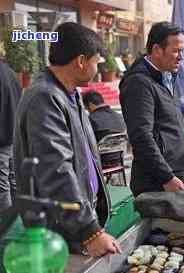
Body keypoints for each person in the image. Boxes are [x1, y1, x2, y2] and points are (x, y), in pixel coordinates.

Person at [13, 22, 121, 257]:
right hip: (58, 229)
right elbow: (56, 169)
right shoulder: (45, 97)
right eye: (96, 61)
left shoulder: (69, 93)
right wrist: (88, 230)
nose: (98, 68)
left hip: (73, 223)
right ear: (81, 61)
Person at [119, 22, 184, 197]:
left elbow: (169, 119)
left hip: (175, 172)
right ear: (157, 50)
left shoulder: (167, 76)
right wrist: (166, 177)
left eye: (182, 51)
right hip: (156, 182)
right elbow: (141, 136)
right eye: (176, 51)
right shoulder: (139, 83)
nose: (180, 57)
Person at [0, 61, 22, 213]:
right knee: (14, 181)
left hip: (2, 138)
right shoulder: (11, 73)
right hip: (14, 135)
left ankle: (7, 224)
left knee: (2, 184)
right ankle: (18, 219)